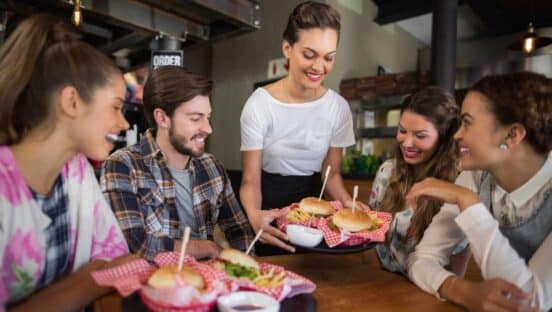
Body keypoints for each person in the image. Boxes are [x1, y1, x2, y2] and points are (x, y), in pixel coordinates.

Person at [0, 14, 135, 310]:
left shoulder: (76, 171)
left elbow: (115, 254)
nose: (124, 123)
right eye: (115, 107)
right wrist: (86, 282)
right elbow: (103, 272)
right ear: (72, 102)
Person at [407, 72, 551, 311]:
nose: (457, 134)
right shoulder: (475, 177)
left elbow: (529, 304)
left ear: (512, 134)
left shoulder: (468, 191)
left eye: (467, 122)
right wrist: (464, 291)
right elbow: (421, 259)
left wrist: (468, 202)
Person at [240, 1, 367, 255]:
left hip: (315, 208)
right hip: (270, 203)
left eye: (328, 58)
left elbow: (331, 175)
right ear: (287, 47)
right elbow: (251, 179)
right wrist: (255, 216)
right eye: (309, 55)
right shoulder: (259, 104)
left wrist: (348, 204)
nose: (319, 67)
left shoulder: (338, 108)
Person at [101, 66, 254, 261]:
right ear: (162, 118)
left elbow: (238, 230)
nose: (208, 128)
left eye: (207, 117)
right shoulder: (122, 165)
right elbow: (135, 244)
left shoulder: (212, 166)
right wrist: (205, 247)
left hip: (212, 285)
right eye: (196, 118)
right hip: (152, 285)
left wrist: (248, 271)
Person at [368, 86, 464, 276]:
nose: (407, 143)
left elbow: (456, 268)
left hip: (428, 292)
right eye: (402, 131)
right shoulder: (387, 171)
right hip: (381, 284)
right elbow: (369, 239)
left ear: (444, 138)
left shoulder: (458, 186)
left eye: (420, 136)